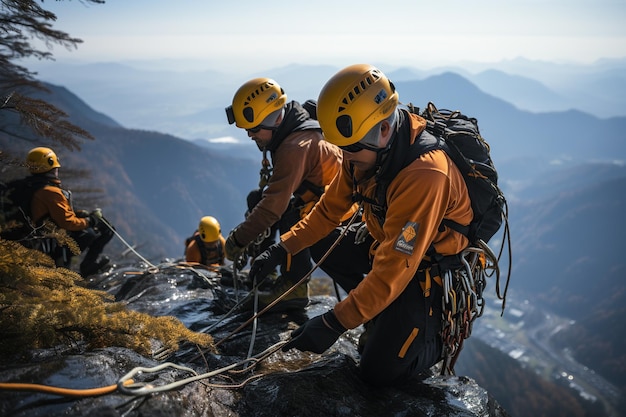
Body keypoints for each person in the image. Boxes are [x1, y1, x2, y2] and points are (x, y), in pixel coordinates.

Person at [248, 64, 473, 386]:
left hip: (427, 271)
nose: (344, 155)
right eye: (340, 146)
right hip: (389, 244)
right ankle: (380, 312)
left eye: (350, 147)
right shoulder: (361, 152)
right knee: (325, 243)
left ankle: (428, 339)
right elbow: (328, 212)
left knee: (377, 373)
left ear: (383, 128)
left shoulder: (425, 175)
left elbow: (395, 267)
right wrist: (282, 247)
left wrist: (334, 322)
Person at [224, 77, 345, 311]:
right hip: (321, 196)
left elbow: (273, 208)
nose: (250, 135)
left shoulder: (294, 147)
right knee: (256, 199)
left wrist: (238, 240)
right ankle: (264, 275)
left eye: (254, 128)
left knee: (288, 212)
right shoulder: (290, 124)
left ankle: (294, 287)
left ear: (273, 119)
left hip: (338, 208)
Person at [26, 147, 114, 276]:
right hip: (48, 241)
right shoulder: (50, 191)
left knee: (91, 229)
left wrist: (78, 213)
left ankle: (80, 266)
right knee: (99, 230)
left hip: (34, 237)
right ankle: (86, 266)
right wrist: (91, 220)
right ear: (52, 165)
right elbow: (68, 223)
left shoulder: (27, 186)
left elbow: (50, 213)